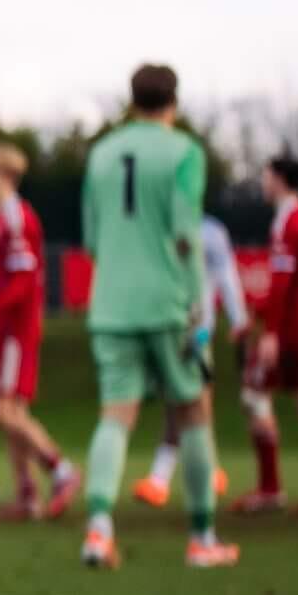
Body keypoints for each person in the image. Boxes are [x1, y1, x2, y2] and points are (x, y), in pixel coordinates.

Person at [75, 65, 231, 568]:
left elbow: (92, 240)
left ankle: (99, 531)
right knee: (194, 413)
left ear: (132, 100)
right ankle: (202, 538)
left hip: (110, 306)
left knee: (115, 417)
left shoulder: (101, 153)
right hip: (168, 303)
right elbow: (186, 234)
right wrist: (196, 304)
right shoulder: (184, 152)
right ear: (174, 102)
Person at [0, 144, 79, 520]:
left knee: (1, 410)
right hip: (2, 329)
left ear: (1, 175)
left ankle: (61, 471)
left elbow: (25, 278)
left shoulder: (17, 218)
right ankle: (27, 497)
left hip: (17, 329)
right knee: (9, 412)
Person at [233, 155, 298, 515]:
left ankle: (270, 488)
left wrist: (270, 332)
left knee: (253, 393)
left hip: (292, 328)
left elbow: (282, 282)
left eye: (266, 176)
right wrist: (257, 316)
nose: (263, 182)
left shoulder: (289, 221)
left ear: (279, 179)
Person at [135, 214, 242, 507]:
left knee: (189, 400)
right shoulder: (162, 225)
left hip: (196, 332)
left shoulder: (210, 232)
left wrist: (238, 320)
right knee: (184, 400)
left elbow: (227, 279)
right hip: (169, 328)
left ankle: (163, 478)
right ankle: (203, 470)